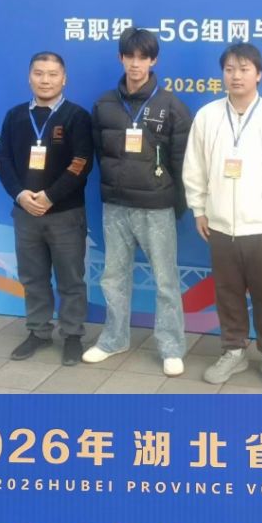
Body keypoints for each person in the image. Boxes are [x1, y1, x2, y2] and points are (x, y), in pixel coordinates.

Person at [182, 42, 262, 387]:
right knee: (227, 293)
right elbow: (195, 167)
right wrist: (199, 209)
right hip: (220, 227)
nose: (236, 76)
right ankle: (233, 351)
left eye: (244, 69)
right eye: (230, 69)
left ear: (258, 74)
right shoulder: (207, 116)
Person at [84, 28, 189, 376]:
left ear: (153, 60)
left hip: (156, 207)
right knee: (113, 277)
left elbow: (182, 162)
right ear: (120, 58)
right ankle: (113, 339)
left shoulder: (171, 106)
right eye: (129, 56)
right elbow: (100, 153)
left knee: (165, 280)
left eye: (143, 57)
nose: (135, 64)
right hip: (115, 205)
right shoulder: (104, 104)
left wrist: (175, 204)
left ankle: (171, 347)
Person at [0, 53, 93, 366]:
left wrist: (50, 197)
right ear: (29, 77)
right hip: (25, 214)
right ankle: (38, 331)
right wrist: (20, 195)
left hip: (65, 214)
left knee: (71, 279)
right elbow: (2, 160)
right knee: (33, 277)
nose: (45, 80)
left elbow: (81, 163)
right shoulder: (15, 116)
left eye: (52, 74)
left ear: (64, 79)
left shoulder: (76, 116)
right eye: (39, 73)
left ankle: (73, 335)